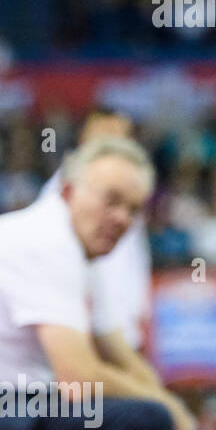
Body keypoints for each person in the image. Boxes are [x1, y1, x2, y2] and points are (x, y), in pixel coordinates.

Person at [0, 137, 195, 430]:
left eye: (133, 208)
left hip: (18, 407)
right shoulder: (44, 243)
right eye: (111, 201)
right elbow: (79, 378)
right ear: (69, 190)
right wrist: (165, 408)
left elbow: (114, 348)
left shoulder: (78, 248)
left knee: (163, 428)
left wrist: (172, 411)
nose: (122, 219)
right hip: (9, 409)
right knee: (144, 424)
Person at [39, 108, 153, 357]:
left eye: (120, 135)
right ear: (84, 138)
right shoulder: (59, 194)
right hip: (82, 335)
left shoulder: (130, 199)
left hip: (123, 332)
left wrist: (137, 315)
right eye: (105, 134)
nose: (113, 144)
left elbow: (134, 264)